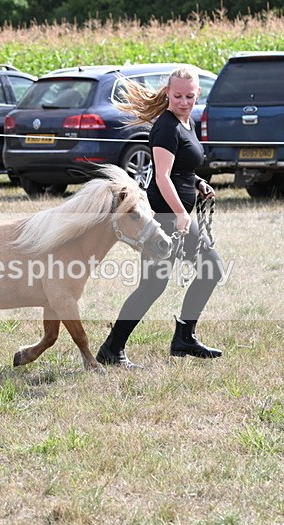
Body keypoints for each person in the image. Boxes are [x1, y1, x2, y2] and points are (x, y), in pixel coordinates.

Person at [96, 67, 224, 369]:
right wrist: (180, 213)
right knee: (153, 286)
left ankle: (184, 337)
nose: (184, 101)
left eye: (190, 96)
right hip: (165, 218)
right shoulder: (166, 127)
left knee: (209, 269)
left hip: (177, 216)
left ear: (198, 94)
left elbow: (181, 168)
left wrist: (198, 183)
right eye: (178, 96)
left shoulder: (187, 122)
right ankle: (112, 349)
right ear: (168, 92)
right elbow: (162, 177)